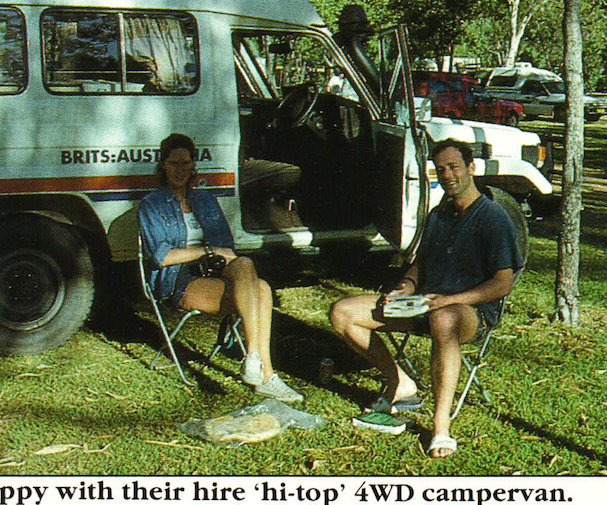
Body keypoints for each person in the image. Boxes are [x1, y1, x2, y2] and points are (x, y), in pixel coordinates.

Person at [329, 138, 522, 458]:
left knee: (443, 319)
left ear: (471, 168)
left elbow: (503, 284)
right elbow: (421, 263)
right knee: (342, 312)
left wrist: (452, 300)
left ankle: (440, 426)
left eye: (454, 167)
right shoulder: (439, 215)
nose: (447, 175)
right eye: (440, 169)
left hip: (469, 311)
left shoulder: (493, 218)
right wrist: (406, 284)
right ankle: (399, 382)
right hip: (424, 302)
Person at [140, 133, 304, 404]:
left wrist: (215, 255)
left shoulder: (204, 200)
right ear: (163, 166)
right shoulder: (152, 204)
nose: (180, 170)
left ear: (194, 165)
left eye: (186, 163)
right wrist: (205, 251)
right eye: (174, 163)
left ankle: (253, 357)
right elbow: (161, 257)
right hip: (179, 277)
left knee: (246, 265)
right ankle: (267, 374)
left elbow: (225, 246)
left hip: (214, 267)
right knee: (261, 290)